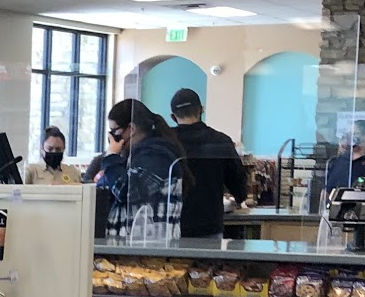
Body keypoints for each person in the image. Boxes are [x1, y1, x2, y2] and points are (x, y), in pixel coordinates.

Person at [88, 99, 185, 238]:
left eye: (114, 131)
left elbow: (127, 191)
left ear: (131, 129)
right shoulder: (133, 156)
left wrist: (111, 157)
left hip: (149, 243)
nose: (111, 137)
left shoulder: (156, 155)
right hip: (131, 240)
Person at [167, 88, 249, 237]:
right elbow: (239, 185)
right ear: (202, 110)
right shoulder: (221, 141)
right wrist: (238, 198)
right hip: (209, 227)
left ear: (173, 117)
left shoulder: (165, 142)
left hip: (171, 226)